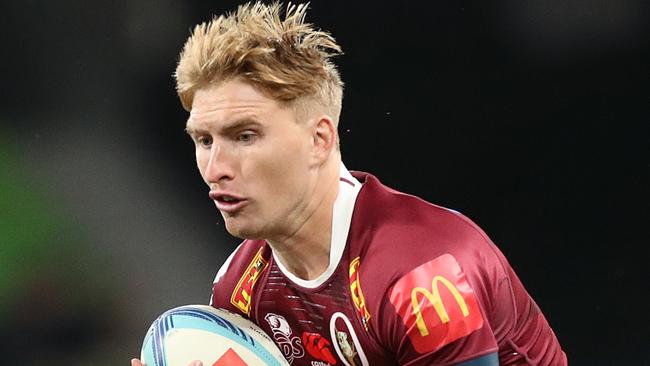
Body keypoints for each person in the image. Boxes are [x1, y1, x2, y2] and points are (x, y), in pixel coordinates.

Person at [133, 2, 567, 365]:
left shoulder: (421, 276)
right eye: (203, 140)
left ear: (319, 140)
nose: (216, 166)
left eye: (245, 136)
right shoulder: (241, 287)